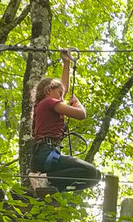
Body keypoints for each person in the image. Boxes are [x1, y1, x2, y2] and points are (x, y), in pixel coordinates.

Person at [30, 49, 101, 192]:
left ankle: (47, 183)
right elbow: (81, 114)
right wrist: (78, 103)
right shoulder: (49, 102)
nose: (62, 97)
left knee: (95, 176)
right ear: (48, 90)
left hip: (46, 153)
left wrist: (66, 63)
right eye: (60, 94)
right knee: (91, 173)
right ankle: (45, 179)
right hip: (46, 153)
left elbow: (64, 87)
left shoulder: (43, 105)